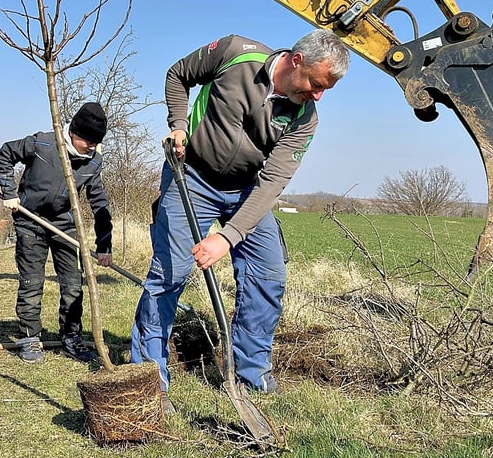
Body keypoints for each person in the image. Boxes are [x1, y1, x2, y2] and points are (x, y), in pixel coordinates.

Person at [130, 31, 349, 395]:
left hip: (246, 189)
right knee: (171, 272)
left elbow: (273, 182)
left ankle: (250, 373)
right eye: (315, 84)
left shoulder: (305, 118)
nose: (317, 96)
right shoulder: (235, 53)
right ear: (296, 60)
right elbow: (177, 75)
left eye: (325, 89)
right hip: (192, 175)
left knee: (268, 273)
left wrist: (227, 236)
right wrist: (179, 126)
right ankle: (150, 377)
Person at [0, 102, 115, 364]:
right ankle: (29, 337)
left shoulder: (93, 162)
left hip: (65, 226)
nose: (91, 146)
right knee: (32, 282)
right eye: (88, 140)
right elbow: (4, 155)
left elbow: (100, 204)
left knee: (73, 284)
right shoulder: (43, 144)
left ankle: (71, 337)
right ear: (73, 132)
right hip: (30, 221)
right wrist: (9, 193)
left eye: (96, 141)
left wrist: (105, 244)